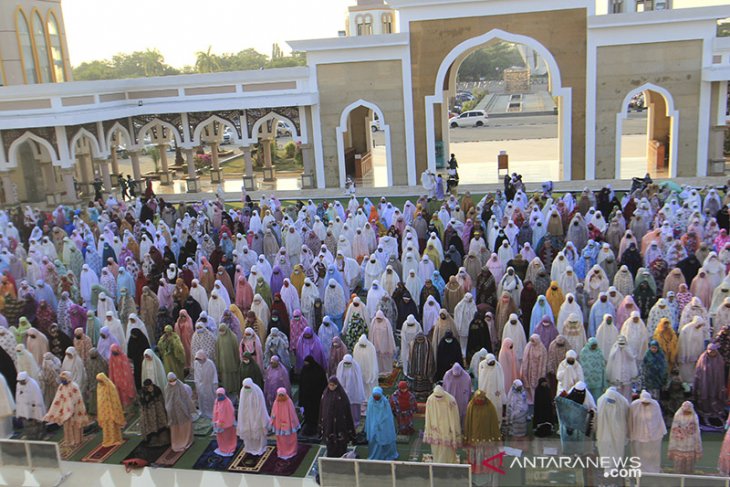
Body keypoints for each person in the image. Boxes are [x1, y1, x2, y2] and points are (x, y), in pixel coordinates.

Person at [43, 371, 89, 447]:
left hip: (75, 410)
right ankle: (69, 441)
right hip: (65, 410)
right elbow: (57, 398)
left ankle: (77, 440)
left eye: (64, 378)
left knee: (75, 425)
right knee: (67, 425)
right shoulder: (61, 387)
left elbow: (78, 398)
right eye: (61, 379)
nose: (62, 380)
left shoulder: (74, 386)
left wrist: (71, 408)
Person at [629, 390, 666, 473]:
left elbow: (658, 420)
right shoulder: (634, 406)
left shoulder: (655, 405)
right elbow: (630, 420)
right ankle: (639, 470)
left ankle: (653, 470)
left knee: (652, 455)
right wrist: (631, 433)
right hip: (638, 435)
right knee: (638, 454)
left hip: (654, 436)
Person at [423, 385, 461, 463]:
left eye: (440, 397)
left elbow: (455, 416)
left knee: (448, 450)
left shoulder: (450, 400)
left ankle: (449, 462)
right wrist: (428, 428)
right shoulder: (430, 400)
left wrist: (455, 429)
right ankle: (438, 462)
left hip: (447, 428)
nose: (438, 399)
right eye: (437, 397)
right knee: (436, 449)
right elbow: (427, 416)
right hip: (435, 427)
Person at [319, 377, 356, 458]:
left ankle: (341, 454)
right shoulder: (325, 394)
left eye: (333, 385)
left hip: (340, 422)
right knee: (330, 439)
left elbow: (346, 410)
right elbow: (322, 408)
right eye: (330, 384)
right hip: (328, 422)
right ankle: (331, 454)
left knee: (340, 440)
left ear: (337, 385)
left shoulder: (342, 395)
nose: (331, 386)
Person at [237, 378, 270, 456]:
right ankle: (249, 447)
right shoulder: (243, 390)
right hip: (246, 415)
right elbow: (241, 406)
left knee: (257, 431)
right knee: (248, 430)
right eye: (246, 387)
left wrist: (261, 418)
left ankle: (260, 446)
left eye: (248, 387)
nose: (247, 389)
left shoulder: (257, 391)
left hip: (256, 415)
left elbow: (261, 405)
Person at [668, 401, 702, 474]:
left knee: (689, 464)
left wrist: (698, 448)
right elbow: (674, 430)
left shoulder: (694, 416)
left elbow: (697, 432)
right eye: (685, 411)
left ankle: (689, 476)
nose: (686, 413)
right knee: (679, 464)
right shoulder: (677, 415)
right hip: (679, 443)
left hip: (690, 443)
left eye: (688, 411)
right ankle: (678, 475)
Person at [165, 372, 195, 453]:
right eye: (170, 381)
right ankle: (177, 442)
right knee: (176, 428)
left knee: (185, 425)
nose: (172, 382)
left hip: (183, 411)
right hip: (173, 413)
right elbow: (167, 400)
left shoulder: (181, 386)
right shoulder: (167, 388)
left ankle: (187, 440)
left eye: (174, 380)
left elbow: (186, 398)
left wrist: (189, 408)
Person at [364, 387, 397, 460]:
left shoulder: (385, 402)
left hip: (384, 426)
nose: (376, 398)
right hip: (374, 426)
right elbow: (369, 417)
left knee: (386, 439)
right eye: (375, 396)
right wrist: (374, 425)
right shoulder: (371, 402)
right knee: (374, 441)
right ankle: (375, 456)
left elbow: (388, 416)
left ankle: (387, 455)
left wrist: (381, 424)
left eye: (378, 396)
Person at [95, 372, 125, 447]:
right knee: (106, 426)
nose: (100, 382)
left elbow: (115, 399)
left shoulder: (111, 386)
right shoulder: (99, 386)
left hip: (111, 409)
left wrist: (113, 409)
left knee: (113, 424)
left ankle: (116, 439)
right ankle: (108, 440)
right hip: (103, 410)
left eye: (101, 380)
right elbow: (99, 399)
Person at [270, 388, 300, 459]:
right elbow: (273, 414)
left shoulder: (289, 402)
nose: (281, 397)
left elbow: (292, 414)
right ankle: (282, 452)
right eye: (279, 395)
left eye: (282, 395)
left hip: (289, 425)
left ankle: (292, 451)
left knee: (291, 438)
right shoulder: (276, 403)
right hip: (279, 425)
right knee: (281, 439)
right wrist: (272, 422)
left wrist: (293, 423)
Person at [138, 379, 170, 447]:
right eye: (148, 387)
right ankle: (153, 440)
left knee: (161, 424)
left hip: (158, 409)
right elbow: (142, 405)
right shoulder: (143, 393)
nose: (150, 388)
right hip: (149, 412)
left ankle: (163, 439)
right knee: (151, 426)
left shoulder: (156, 389)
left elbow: (161, 399)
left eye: (150, 386)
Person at [212, 388, 237, 457]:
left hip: (227, 425)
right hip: (219, 424)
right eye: (218, 395)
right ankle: (223, 448)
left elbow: (230, 413)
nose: (220, 396)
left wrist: (223, 423)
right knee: (221, 437)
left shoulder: (228, 402)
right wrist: (216, 422)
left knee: (228, 437)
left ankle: (230, 448)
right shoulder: (217, 401)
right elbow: (215, 412)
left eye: (221, 394)